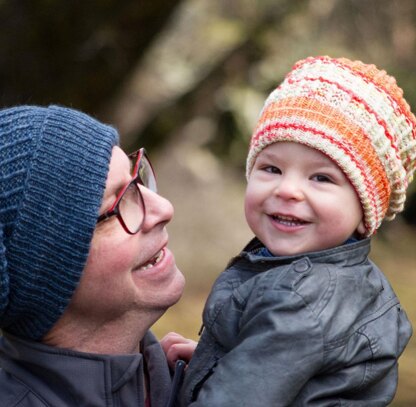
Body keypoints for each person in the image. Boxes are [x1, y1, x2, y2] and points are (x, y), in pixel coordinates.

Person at [176, 56, 415, 406]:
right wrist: (213, 360)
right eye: (271, 168)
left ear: (366, 213)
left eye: (321, 178)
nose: (287, 190)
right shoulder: (334, 282)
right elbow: (280, 372)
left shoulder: (302, 300)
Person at [0, 105, 191, 406]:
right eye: (116, 205)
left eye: (136, 180)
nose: (164, 209)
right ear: (47, 272)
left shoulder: (203, 378)